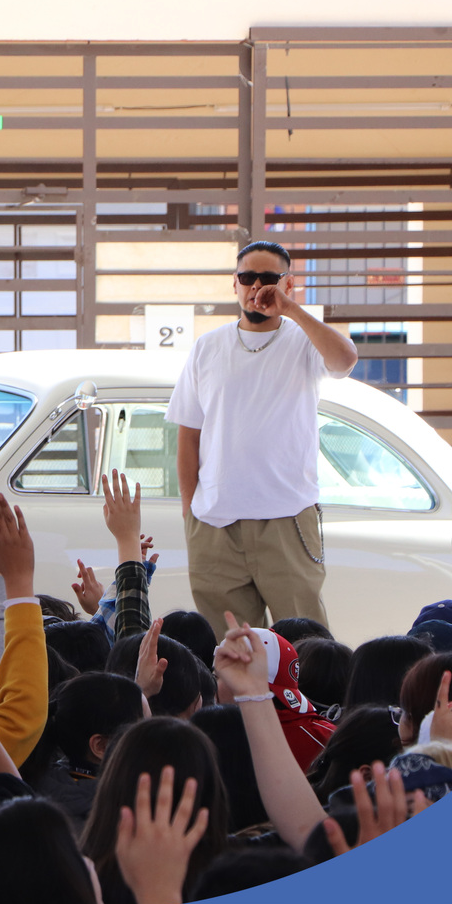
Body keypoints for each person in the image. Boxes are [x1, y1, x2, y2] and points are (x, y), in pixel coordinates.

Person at [165, 239, 358, 636]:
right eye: (247, 277)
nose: (256, 286)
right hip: (215, 524)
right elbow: (188, 434)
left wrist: (290, 309)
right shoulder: (207, 347)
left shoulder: (303, 339)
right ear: (234, 283)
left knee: (305, 644)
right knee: (231, 649)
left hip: (286, 518)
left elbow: (345, 360)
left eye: (268, 278)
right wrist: (190, 512)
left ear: (288, 284)